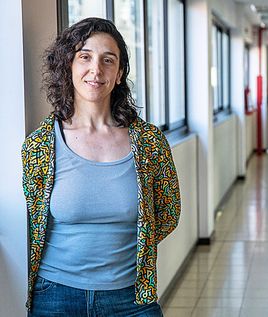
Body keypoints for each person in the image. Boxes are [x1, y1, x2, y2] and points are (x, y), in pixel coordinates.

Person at [21, 18, 180, 316]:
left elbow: (168, 213)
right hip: (55, 297)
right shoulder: (40, 145)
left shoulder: (149, 142)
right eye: (85, 57)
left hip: (131, 297)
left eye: (108, 60)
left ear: (119, 74)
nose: (96, 70)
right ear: (69, 65)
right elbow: (32, 217)